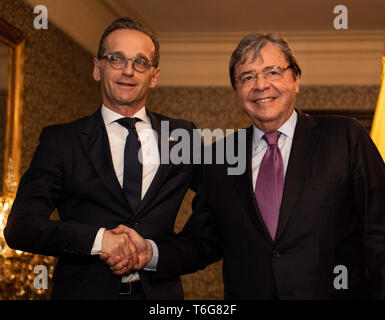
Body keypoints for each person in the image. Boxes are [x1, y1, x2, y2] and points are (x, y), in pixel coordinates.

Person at [114, 32, 385, 299]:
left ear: (296, 79)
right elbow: (202, 242)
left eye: (273, 72)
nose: (261, 85)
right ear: (237, 92)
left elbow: (379, 230)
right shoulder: (220, 157)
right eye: (247, 77)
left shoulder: (344, 136)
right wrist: (150, 252)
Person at [4, 17, 199, 300]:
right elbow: (21, 226)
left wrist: (157, 253)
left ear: (154, 76)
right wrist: (99, 240)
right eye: (116, 59)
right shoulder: (61, 141)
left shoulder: (183, 135)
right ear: (97, 68)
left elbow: (219, 212)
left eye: (140, 62)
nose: (128, 71)